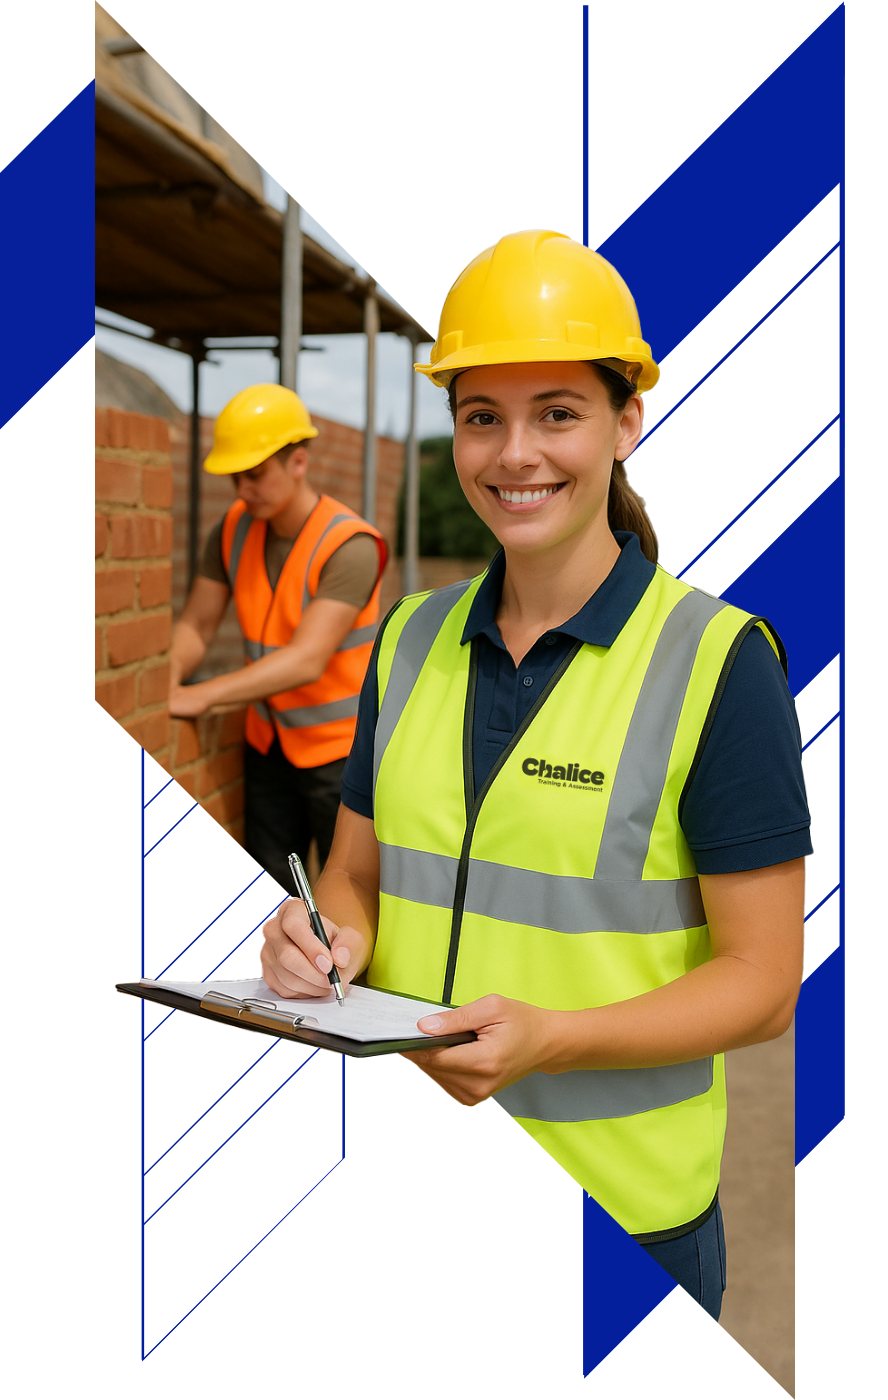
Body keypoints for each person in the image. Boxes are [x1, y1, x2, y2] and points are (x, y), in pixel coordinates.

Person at [257, 231, 811, 1396]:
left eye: (557, 411)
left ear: (627, 422)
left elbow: (763, 981)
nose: (515, 455)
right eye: (479, 416)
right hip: (405, 1181)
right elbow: (352, 868)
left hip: (617, 1215)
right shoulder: (407, 641)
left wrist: (555, 1036)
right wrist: (332, 936)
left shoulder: (716, 661)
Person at [168, 383, 387, 876]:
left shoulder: (349, 546)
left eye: (256, 474)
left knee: (344, 899)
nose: (244, 489)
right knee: (267, 894)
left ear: (298, 462)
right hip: (269, 746)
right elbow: (197, 625)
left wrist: (202, 696)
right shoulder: (232, 529)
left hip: (341, 757)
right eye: (236, 478)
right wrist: (168, 678)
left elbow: (307, 659)